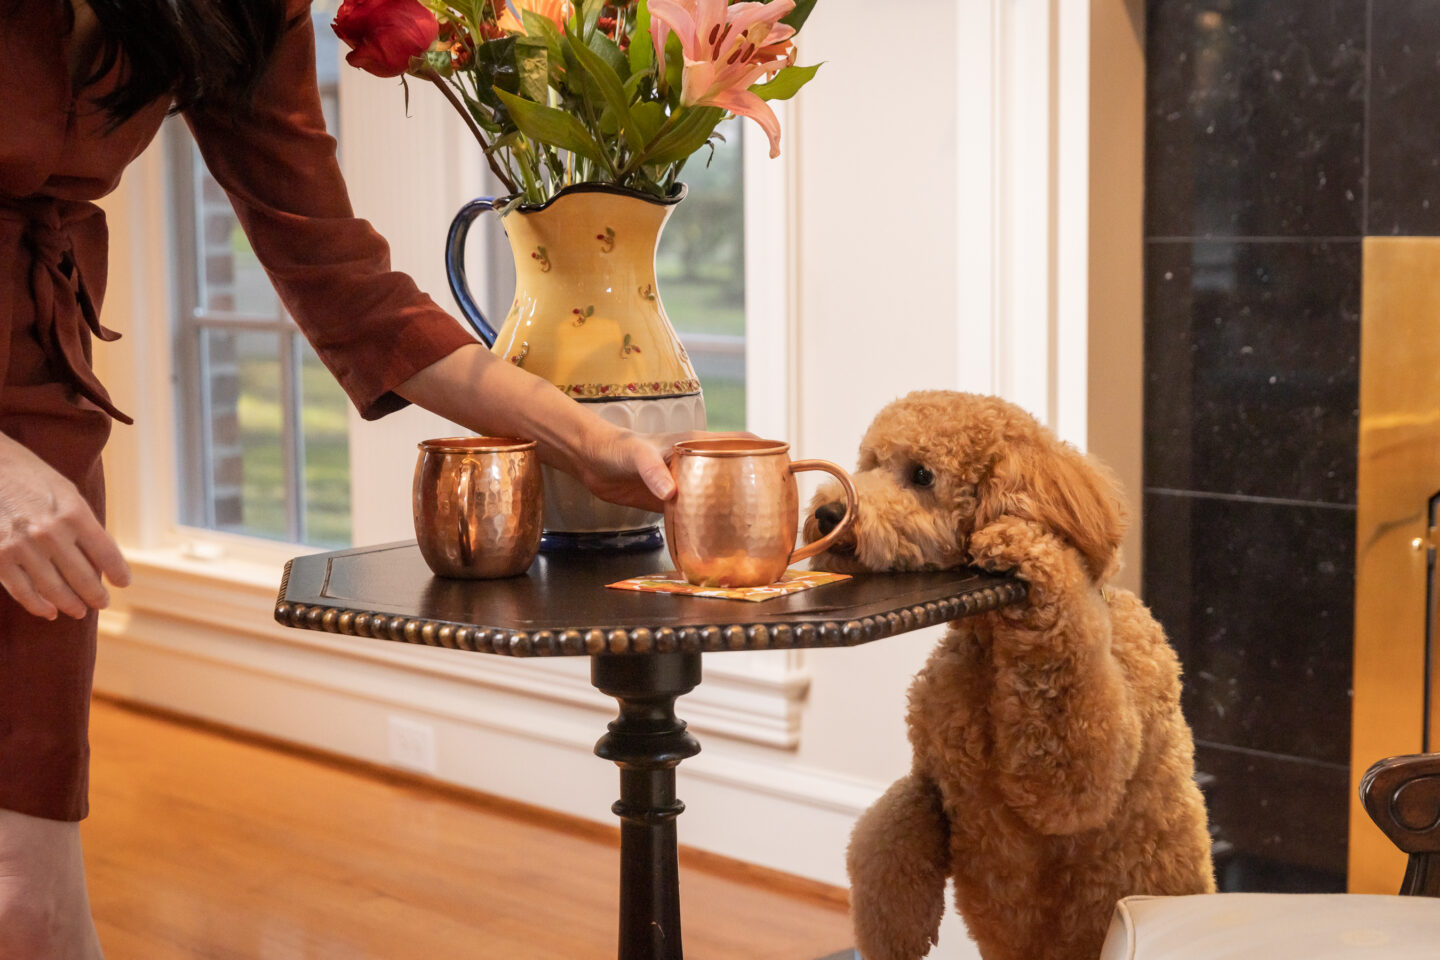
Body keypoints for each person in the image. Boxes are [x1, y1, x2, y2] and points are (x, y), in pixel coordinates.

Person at [0, 1, 707, 956]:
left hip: (39, 395)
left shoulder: (236, 12)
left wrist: (584, 440)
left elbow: (341, 277)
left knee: (27, 898)